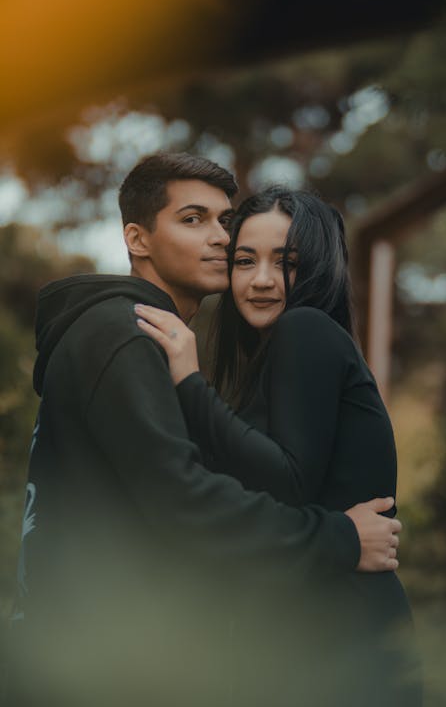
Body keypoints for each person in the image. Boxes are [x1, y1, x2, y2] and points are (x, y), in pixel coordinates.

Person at [11, 154, 401, 707]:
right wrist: (337, 539)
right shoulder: (127, 334)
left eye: (224, 221)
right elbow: (187, 500)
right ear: (136, 238)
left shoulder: (165, 340)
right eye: (194, 219)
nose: (220, 238)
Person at [136, 185, 422, 707]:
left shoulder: (305, 330)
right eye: (244, 260)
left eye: (285, 263)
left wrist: (187, 378)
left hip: (337, 645)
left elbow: (287, 481)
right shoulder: (287, 357)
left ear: (317, 268)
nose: (261, 280)